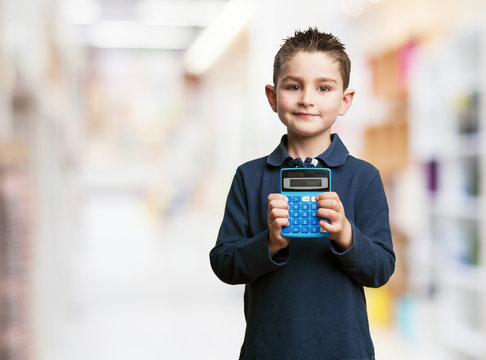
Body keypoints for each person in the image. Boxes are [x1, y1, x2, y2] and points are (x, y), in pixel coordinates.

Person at [209, 27, 395, 360]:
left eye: (324, 87)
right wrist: (270, 243)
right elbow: (224, 263)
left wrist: (347, 234)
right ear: (272, 96)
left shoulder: (364, 178)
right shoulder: (249, 177)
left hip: (345, 352)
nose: (307, 98)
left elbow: (381, 269)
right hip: (268, 351)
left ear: (345, 100)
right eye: (294, 86)